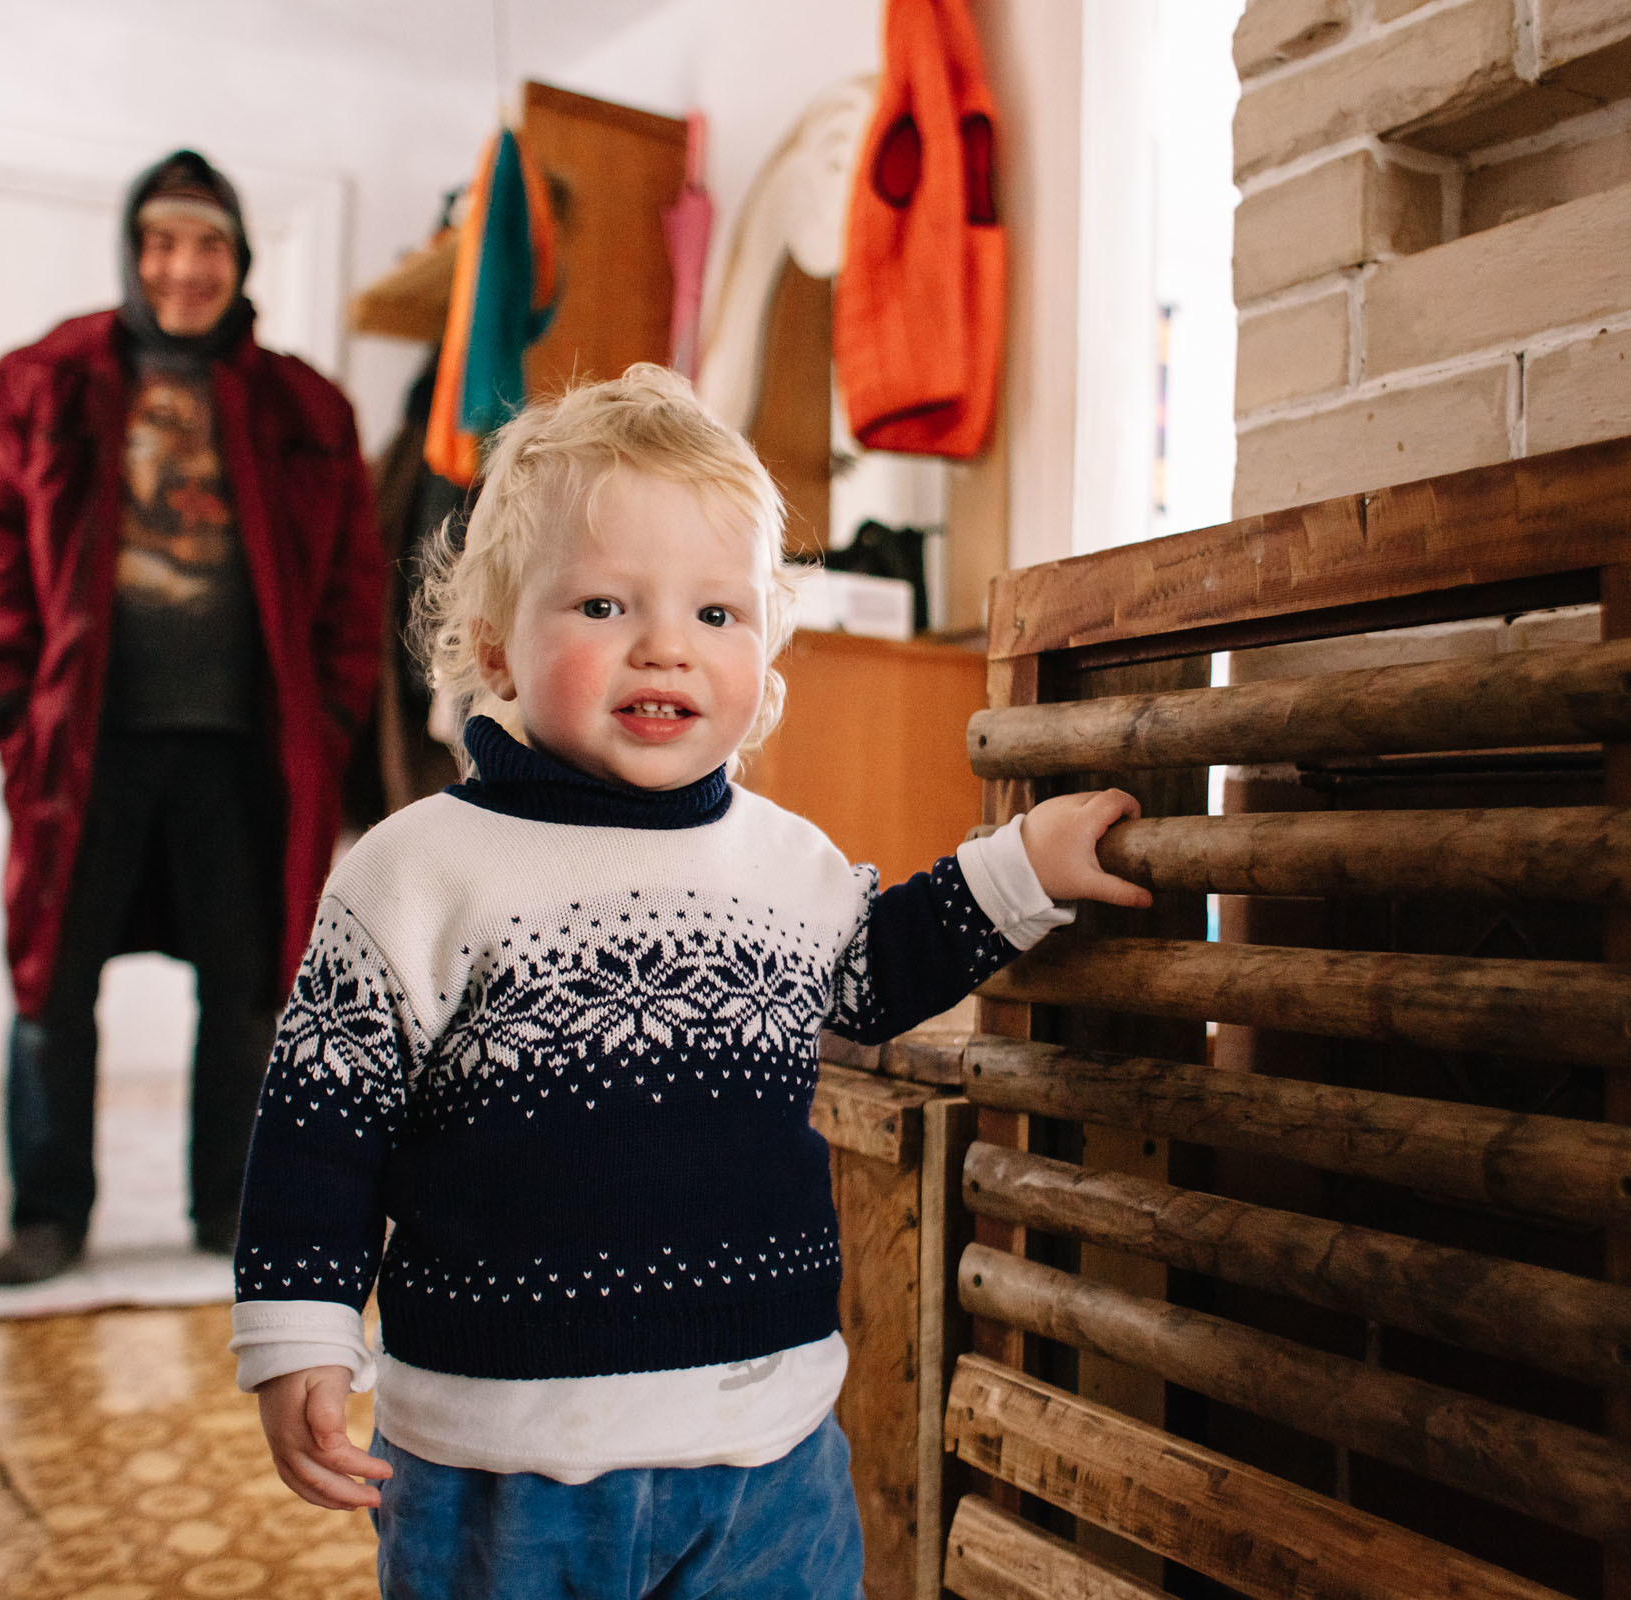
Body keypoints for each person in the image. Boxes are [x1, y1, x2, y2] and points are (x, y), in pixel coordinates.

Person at [226, 364, 1146, 1598]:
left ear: (764, 661)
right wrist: (298, 1335)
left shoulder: (785, 863)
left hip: (768, 1453)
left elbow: (877, 970)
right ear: (496, 642)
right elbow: (317, 1127)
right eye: (605, 604)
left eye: (717, 614)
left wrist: (1025, 866)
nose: (666, 643)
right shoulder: (416, 870)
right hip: (501, 1463)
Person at [0, 149, 383, 1288]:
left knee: (246, 991)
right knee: (50, 983)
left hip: (245, 753)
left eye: (210, 245)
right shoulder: (43, 378)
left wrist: (329, 715)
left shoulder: (306, 405)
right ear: (135, 253)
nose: (185, 268)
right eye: (162, 243)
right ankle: (50, 1214)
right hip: (81, 749)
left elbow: (353, 582)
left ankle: (224, 1210)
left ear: (239, 261)